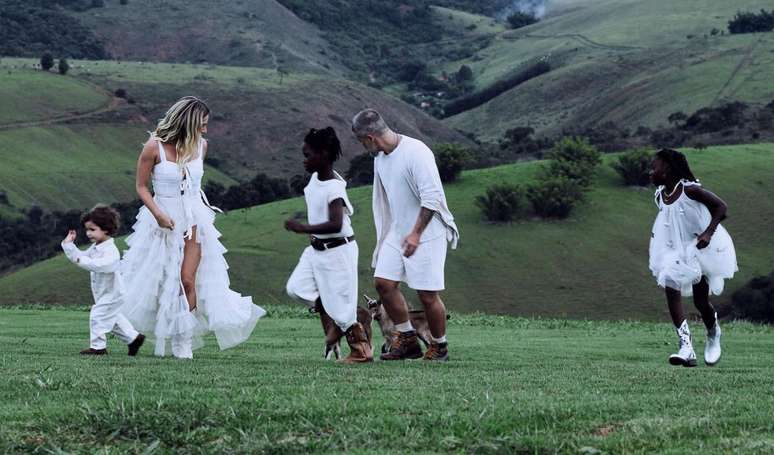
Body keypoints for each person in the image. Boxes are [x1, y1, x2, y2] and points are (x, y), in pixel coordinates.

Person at [121, 96, 265, 359]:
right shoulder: (154, 147)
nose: (206, 129)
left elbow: (195, 188)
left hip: (194, 220)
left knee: (187, 279)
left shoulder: (202, 146)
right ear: (187, 122)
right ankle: (160, 330)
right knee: (164, 281)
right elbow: (141, 186)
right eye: (202, 124)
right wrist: (158, 214)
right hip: (161, 219)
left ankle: (183, 341)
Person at [351, 109, 459, 361]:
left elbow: (432, 198)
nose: (362, 147)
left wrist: (415, 234)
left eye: (361, 142)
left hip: (427, 232)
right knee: (383, 283)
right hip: (397, 231)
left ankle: (440, 347)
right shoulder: (380, 158)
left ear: (370, 138)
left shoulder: (417, 153)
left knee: (427, 295)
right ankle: (408, 340)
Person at [285, 127, 372, 363]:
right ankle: (334, 310)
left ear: (323, 154)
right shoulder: (315, 179)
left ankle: (361, 352)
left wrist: (303, 228)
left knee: (342, 310)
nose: (304, 160)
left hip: (338, 250)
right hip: (316, 250)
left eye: (308, 155)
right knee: (295, 288)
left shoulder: (334, 187)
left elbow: (336, 223)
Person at [649, 148, 737, 367]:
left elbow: (721, 207)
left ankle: (713, 333)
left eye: (654, 167)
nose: (650, 172)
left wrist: (708, 233)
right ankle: (686, 346)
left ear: (667, 169)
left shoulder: (690, 190)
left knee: (700, 301)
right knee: (670, 282)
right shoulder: (660, 195)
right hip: (675, 252)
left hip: (701, 249)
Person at [61, 204, 145, 356]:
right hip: (104, 293)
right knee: (113, 320)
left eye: (92, 229)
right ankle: (134, 339)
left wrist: (81, 260)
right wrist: (68, 245)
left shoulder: (110, 251)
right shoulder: (96, 247)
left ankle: (98, 347)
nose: (88, 233)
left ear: (105, 229)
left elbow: (102, 265)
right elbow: (82, 256)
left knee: (97, 315)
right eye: (87, 229)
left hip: (113, 293)